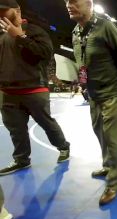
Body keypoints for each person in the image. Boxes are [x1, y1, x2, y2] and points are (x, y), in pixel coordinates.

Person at [65, 0, 117, 205]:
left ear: (89, 5)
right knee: (99, 132)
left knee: (113, 139)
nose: (68, 4)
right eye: (67, 1)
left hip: (114, 93)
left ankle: (114, 181)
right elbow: (82, 63)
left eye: (74, 1)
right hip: (94, 95)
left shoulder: (105, 26)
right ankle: (108, 165)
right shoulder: (75, 32)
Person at [0, 0, 70, 176]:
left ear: (16, 11)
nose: (0, 15)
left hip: (34, 89)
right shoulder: (1, 36)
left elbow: (45, 53)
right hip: (8, 92)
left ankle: (63, 147)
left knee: (46, 123)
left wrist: (20, 37)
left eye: (4, 11)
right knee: (16, 129)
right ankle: (21, 159)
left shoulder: (34, 31)